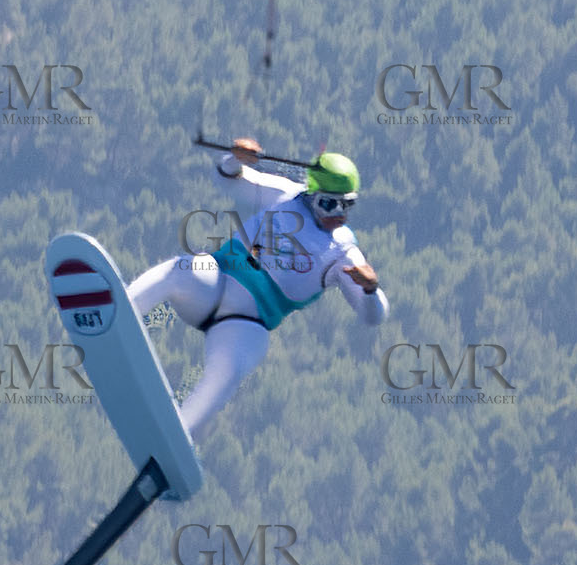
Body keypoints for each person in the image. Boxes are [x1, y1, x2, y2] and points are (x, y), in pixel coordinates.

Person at [128, 138, 388, 439]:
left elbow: (374, 317)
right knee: (183, 268)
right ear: (312, 193)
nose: (338, 214)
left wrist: (371, 290)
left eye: (347, 205)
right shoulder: (283, 194)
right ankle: (124, 306)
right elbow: (227, 178)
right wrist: (235, 158)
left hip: (246, 323)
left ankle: (175, 436)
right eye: (329, 204)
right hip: (213, 284)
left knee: (230, 371)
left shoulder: (344, 254)